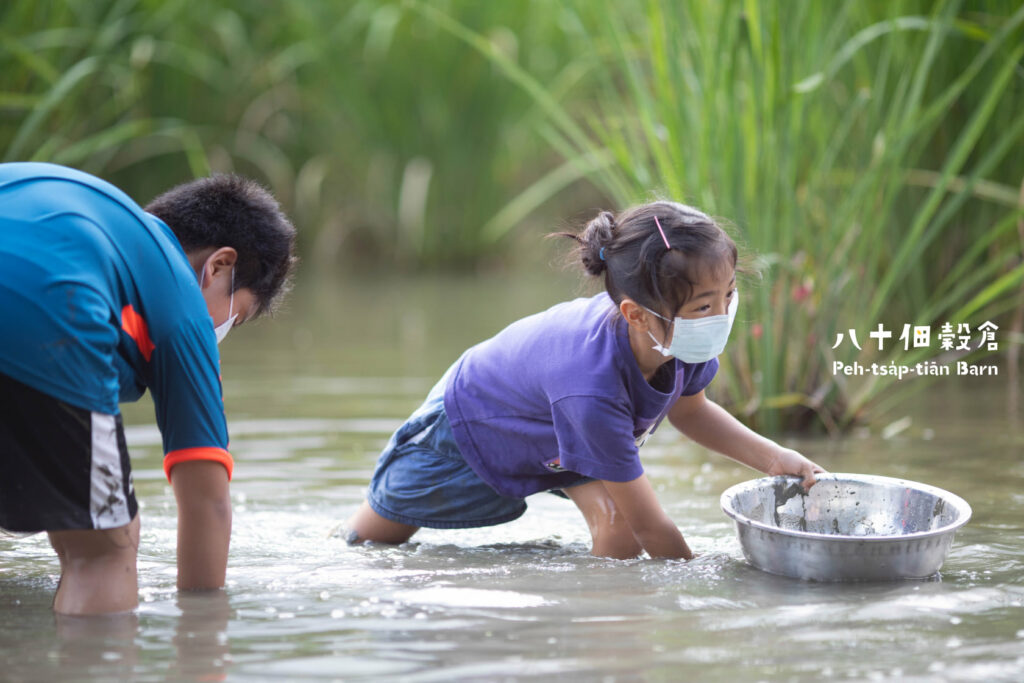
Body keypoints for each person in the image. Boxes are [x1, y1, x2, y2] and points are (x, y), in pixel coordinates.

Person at [347, 200, 824, 559]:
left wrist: (773, 457)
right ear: (636, 315)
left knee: (615, 526)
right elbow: (653, 529)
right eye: (704, 305)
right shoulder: (593, 387)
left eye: (730, 294)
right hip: (473, 421)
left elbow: (691, 409)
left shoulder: (678, 337)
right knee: (372, 541)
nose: (722, 315)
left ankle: (601, 632)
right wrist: (700, 593)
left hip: (557, 424)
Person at [0, 162, 297, 615]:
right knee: (105, 547)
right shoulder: (180, 296)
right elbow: (207, 501)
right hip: (46, 313)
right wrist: (201, 632)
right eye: (237, 315)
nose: (223, 328)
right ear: (220, 265)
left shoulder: (99, 219)